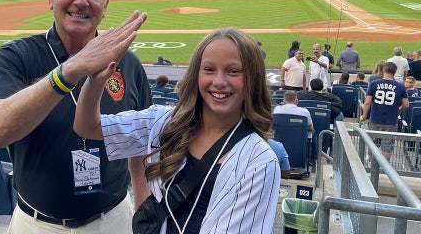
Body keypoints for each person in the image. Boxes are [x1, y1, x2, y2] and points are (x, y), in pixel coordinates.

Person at [0, 0, 152, 233]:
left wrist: (144, 212)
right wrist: (68, 73)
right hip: (37, 223)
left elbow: (142, 149)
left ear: (105, 4)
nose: (81, 0)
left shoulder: (129, 63)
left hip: (113, 220)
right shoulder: (17, 56)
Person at [73, 28, 280, 233]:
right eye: (209, 69)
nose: (219, 81)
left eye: (234, 71)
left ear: (252, 78)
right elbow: (88, 127)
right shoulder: (164, 120)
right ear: (196, 74)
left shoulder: (260, 160)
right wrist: (96, 81)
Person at [360, 62, 409, 161]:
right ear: (394, 72)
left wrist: (364, 115)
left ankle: (370, 161)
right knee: (387, 147)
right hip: (391, 121)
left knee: (372, 142)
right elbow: (406, 105)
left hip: (375, 119)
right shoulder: (400, 86)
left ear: (383, 70)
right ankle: (384, 169)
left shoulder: (374, 84)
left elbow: (368, 101)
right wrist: (399, 111)